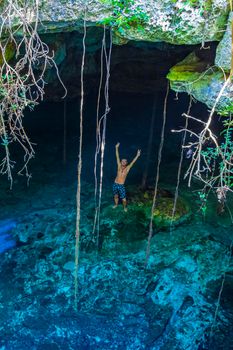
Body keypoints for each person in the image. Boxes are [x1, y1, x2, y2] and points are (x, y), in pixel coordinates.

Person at [113, 142, 141, 212]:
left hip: (121, 185)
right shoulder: (119, 166)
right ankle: (116, 205)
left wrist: (137, 155)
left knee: (123, 199)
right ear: (121, 162)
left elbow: (133, 162)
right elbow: (117, 156)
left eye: (125, 161)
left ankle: (124, 207)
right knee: (116, 196)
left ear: (126, 163)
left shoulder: (127, 168)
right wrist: (116, 148)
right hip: (115, 184)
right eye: (122, 161)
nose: (123, 162)